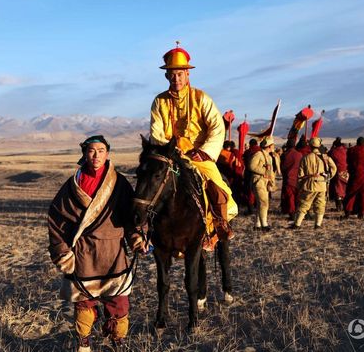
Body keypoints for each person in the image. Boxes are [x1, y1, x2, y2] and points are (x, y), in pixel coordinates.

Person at [47, 135, 146, 351]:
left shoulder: (119, 183)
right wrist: (63, 253)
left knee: (119, 301)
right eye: (91, 150)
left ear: (107, 153)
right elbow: (56, 218)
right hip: (84, 252)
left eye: (101, 150)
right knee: (83, 301)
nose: (96, 155)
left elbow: (132, 218)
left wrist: (138, 237)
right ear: (84, 153)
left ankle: (117, 338)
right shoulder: (71, 186)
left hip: (114, 252)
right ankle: (84, 340)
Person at [149, 43, 238, 246]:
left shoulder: (201, 98)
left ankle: (218, 224)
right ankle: (145, 229)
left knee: (216, 185)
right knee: (148, 186)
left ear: (187, 75)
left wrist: (205, 152)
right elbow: (156, 132)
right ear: (166, 76)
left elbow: (216, 126)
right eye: (172, 74)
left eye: (180, 74)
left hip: (198, 155)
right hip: (171, 155)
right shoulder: (159, 101)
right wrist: (171, 152)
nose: (176, 78)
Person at [292, 137, 337, 229]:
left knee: (304, 204)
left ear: (310, 146)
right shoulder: (325, 157)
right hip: (322, 184)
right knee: (320, 205)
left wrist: (299, 185)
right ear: (319, 145)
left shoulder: (305, 158)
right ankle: (318, 225)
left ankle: (297, 224)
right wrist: (328, 177)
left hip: (309, 185)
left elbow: (300, 174)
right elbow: (334, 168)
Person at [344, 137, 364, 219]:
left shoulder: (351, 150)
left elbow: (348, 162)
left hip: (354, 176)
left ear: (357, 142)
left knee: (350, 193)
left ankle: (348, 212)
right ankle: (361, 213)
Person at [249, 136, 276, 231]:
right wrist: (264, 170)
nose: (274, 146)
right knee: (263, 202)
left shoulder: (269, 156)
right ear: (269, 146)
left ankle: (257, 224)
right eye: (272, 145)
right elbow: (252, 166)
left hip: (265, 182)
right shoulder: (258, 154)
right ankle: (264, 224)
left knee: (261, 203)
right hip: (259, 181)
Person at [280, 139, 302, 219]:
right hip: (298, 179)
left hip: (288, 179)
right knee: (297, 196)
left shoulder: (284, 155)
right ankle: (297, 211)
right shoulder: (299, 155)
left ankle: (292, 213)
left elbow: (282, 167)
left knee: (290, 197)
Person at [328, 137, 348, 212]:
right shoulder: (345, 150)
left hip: (337, 172)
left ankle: (339, 207)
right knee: (345, 189)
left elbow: (328, 156)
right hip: (346, 172)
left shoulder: (333, 151)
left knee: (338, 190)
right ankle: (345, 206)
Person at [243, 138, 261, 214]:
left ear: (250, 144)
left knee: (250, 191)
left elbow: (244, 162)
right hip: (259, 173)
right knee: (259, 190)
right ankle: (258, 207)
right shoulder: (261, 151)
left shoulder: (247, 152)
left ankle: (250, 209)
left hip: (249, 173)